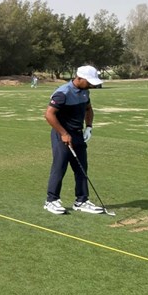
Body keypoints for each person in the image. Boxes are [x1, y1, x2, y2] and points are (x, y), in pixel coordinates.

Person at [43, 65, 105, 215]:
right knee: (60, 167)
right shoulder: (63, 93)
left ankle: (81, 201)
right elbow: (49, 114)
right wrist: (63, 133)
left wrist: (88, 127)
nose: (91, 85)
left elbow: (88, 109)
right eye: (89, 82)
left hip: (77, 134)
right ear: (79, 78)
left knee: (81, 168)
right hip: (61, 134)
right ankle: (51, 201)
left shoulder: (85, 92)